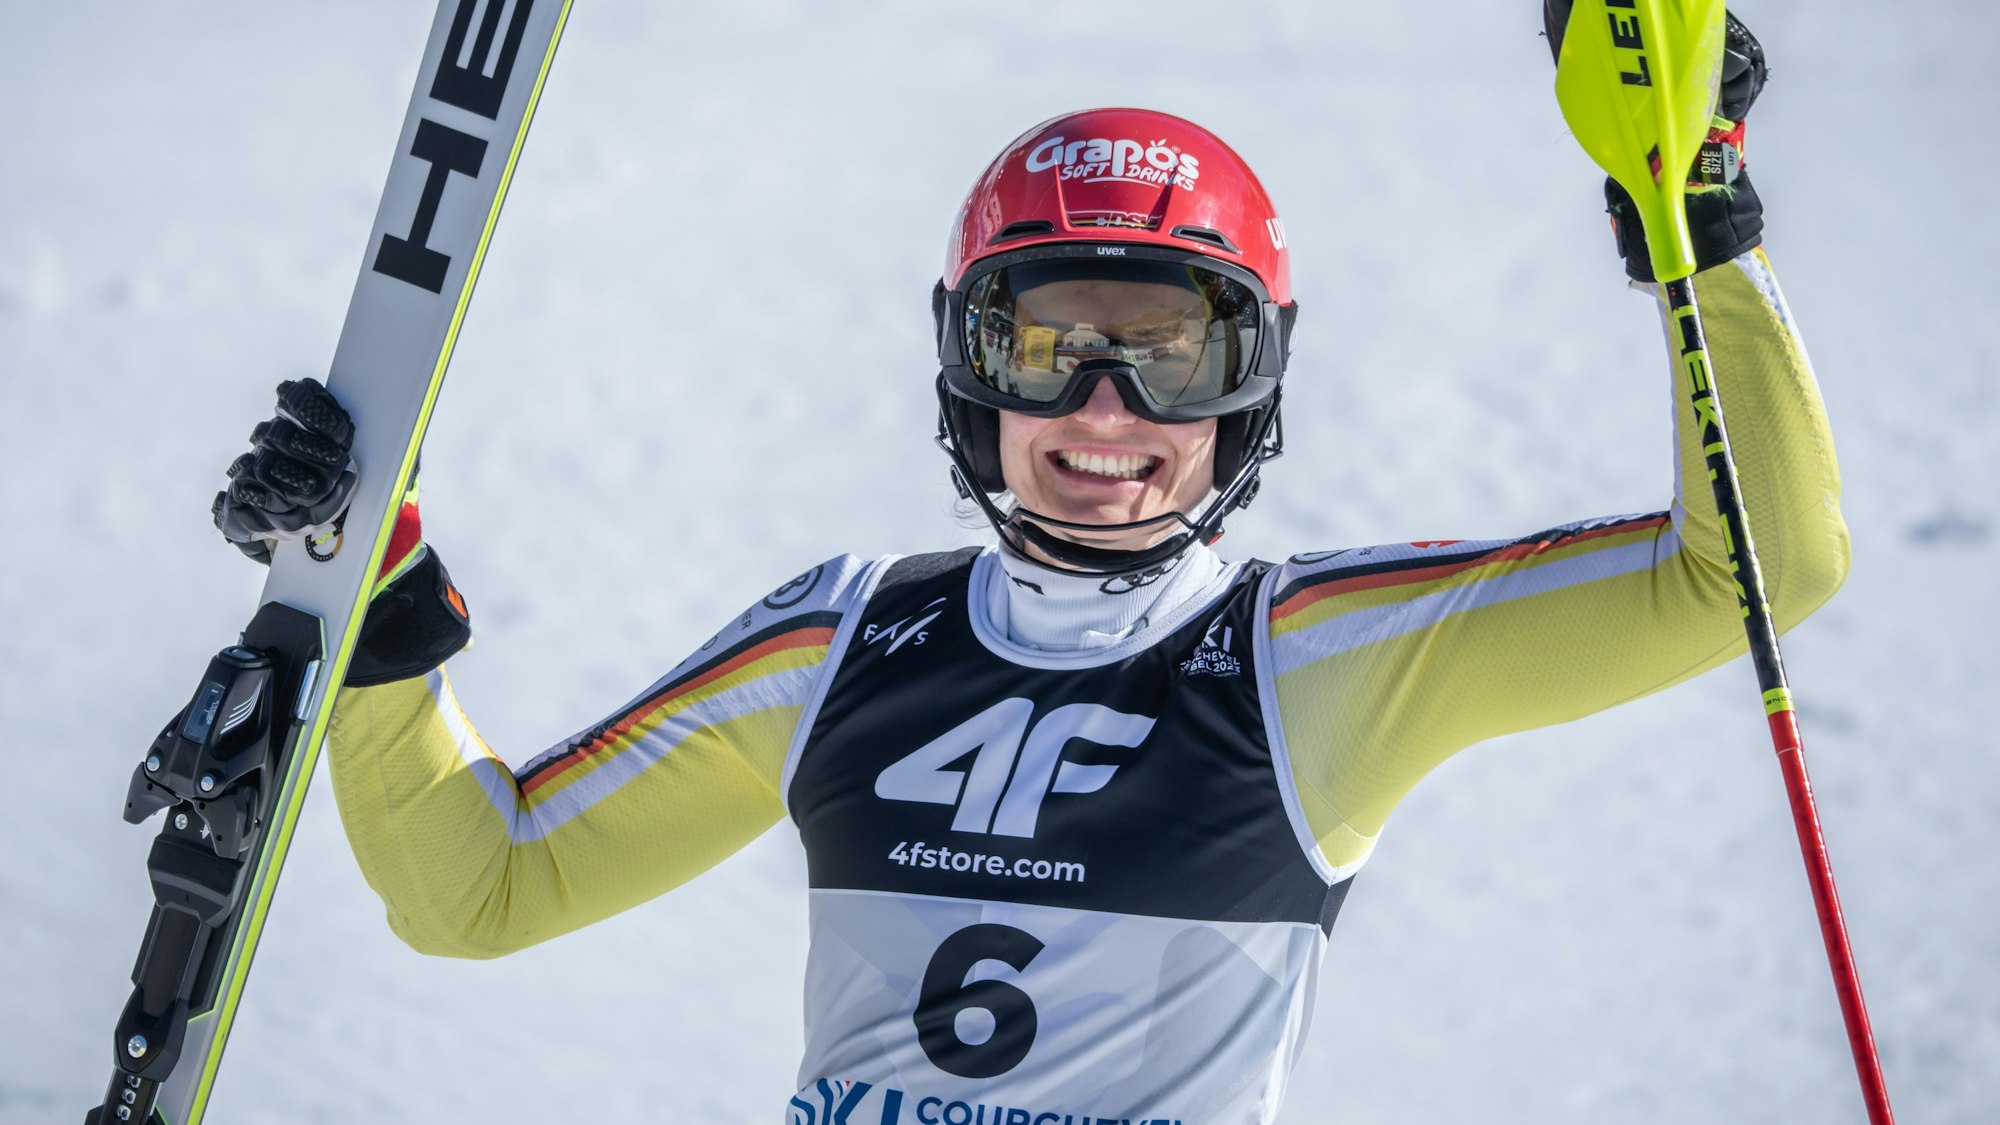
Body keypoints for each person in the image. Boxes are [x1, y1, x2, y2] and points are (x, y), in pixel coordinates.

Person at [211, 14, 1844, 1124]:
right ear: (964, 370)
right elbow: (476, 888)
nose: (1107, 413)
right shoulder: (848, 641)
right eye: (1044, 345)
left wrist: (1702, 224)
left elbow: (1754, 569)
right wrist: (381, 606)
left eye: (1176, 354)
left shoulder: (1317, 660)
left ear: (1255, 384)